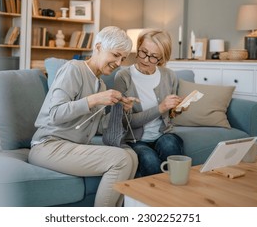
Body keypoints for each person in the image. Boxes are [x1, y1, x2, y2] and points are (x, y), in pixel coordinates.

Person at [28, 26, 138, 207]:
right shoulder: (74, 69)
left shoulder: (101, 85)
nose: (119, 63)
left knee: (131, 156)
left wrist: (122, 110)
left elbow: (100, 126)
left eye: (123, 58)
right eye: (115, 55)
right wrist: (94, 99)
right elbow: (55, 113)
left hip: (71, 146)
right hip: (47, 145)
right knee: (121, 159)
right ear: (98, 47)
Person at [113, 28, 184, 178]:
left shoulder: (169, 75)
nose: (145, 59)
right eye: (143, 52)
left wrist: (176, 109)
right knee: (149, 161)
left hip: (163, 135)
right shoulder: (123, 77)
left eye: (153, 57)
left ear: (162, 58)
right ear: (138, 47)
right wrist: (160, 108)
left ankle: (177, 195)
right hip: (135, 140)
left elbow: (169, 116)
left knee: (171, 146)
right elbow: (124, 122)